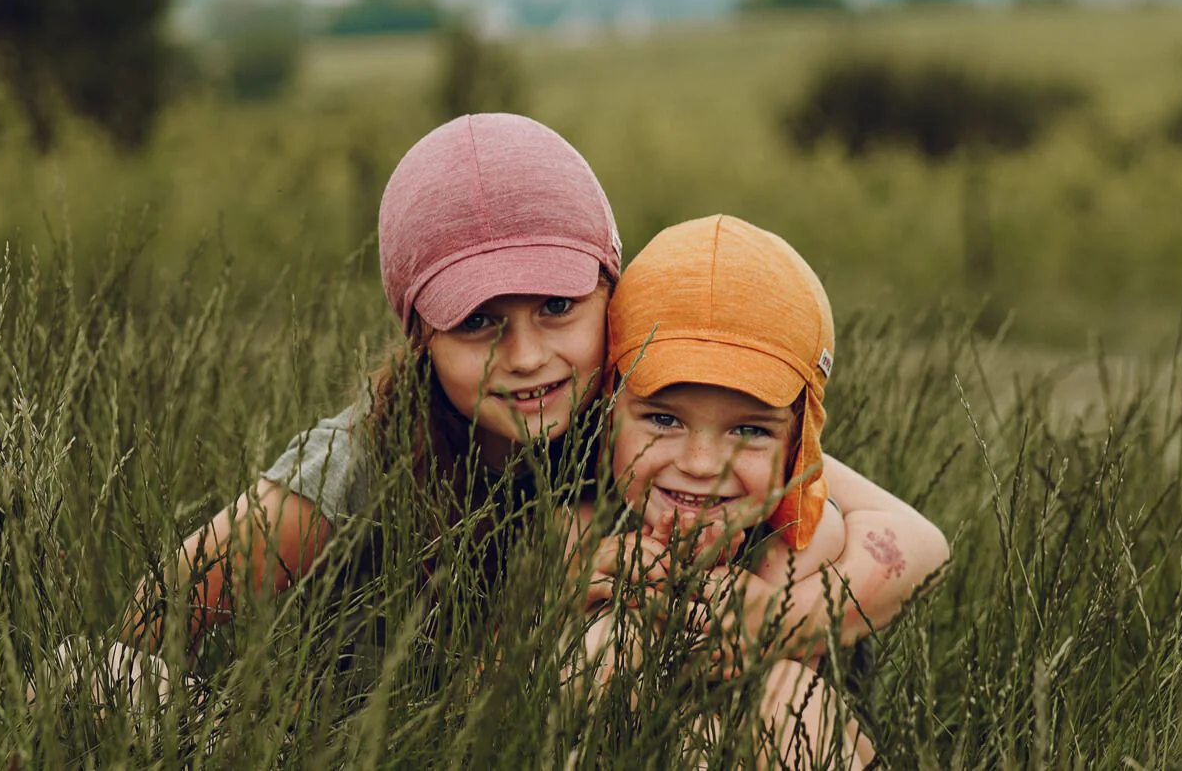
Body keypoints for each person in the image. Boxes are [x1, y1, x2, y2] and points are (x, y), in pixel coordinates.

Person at [113, 114, 947, 696]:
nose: (528, 357)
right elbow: (156, 613)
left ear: (610, 297)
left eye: (557, 307)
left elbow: (912, 536)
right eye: (478, 323)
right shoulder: (354, 468)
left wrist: (792, 614)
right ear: (419, 336)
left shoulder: (649, 419)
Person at [572, 214, 918, 769]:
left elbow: (923, 548)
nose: (702, 464)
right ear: (611, 409)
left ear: (798, 442)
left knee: (782, 698)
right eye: (663, 418)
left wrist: (779, 617)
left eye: (749, 430)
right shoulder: (581, 525)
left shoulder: (803, 544)